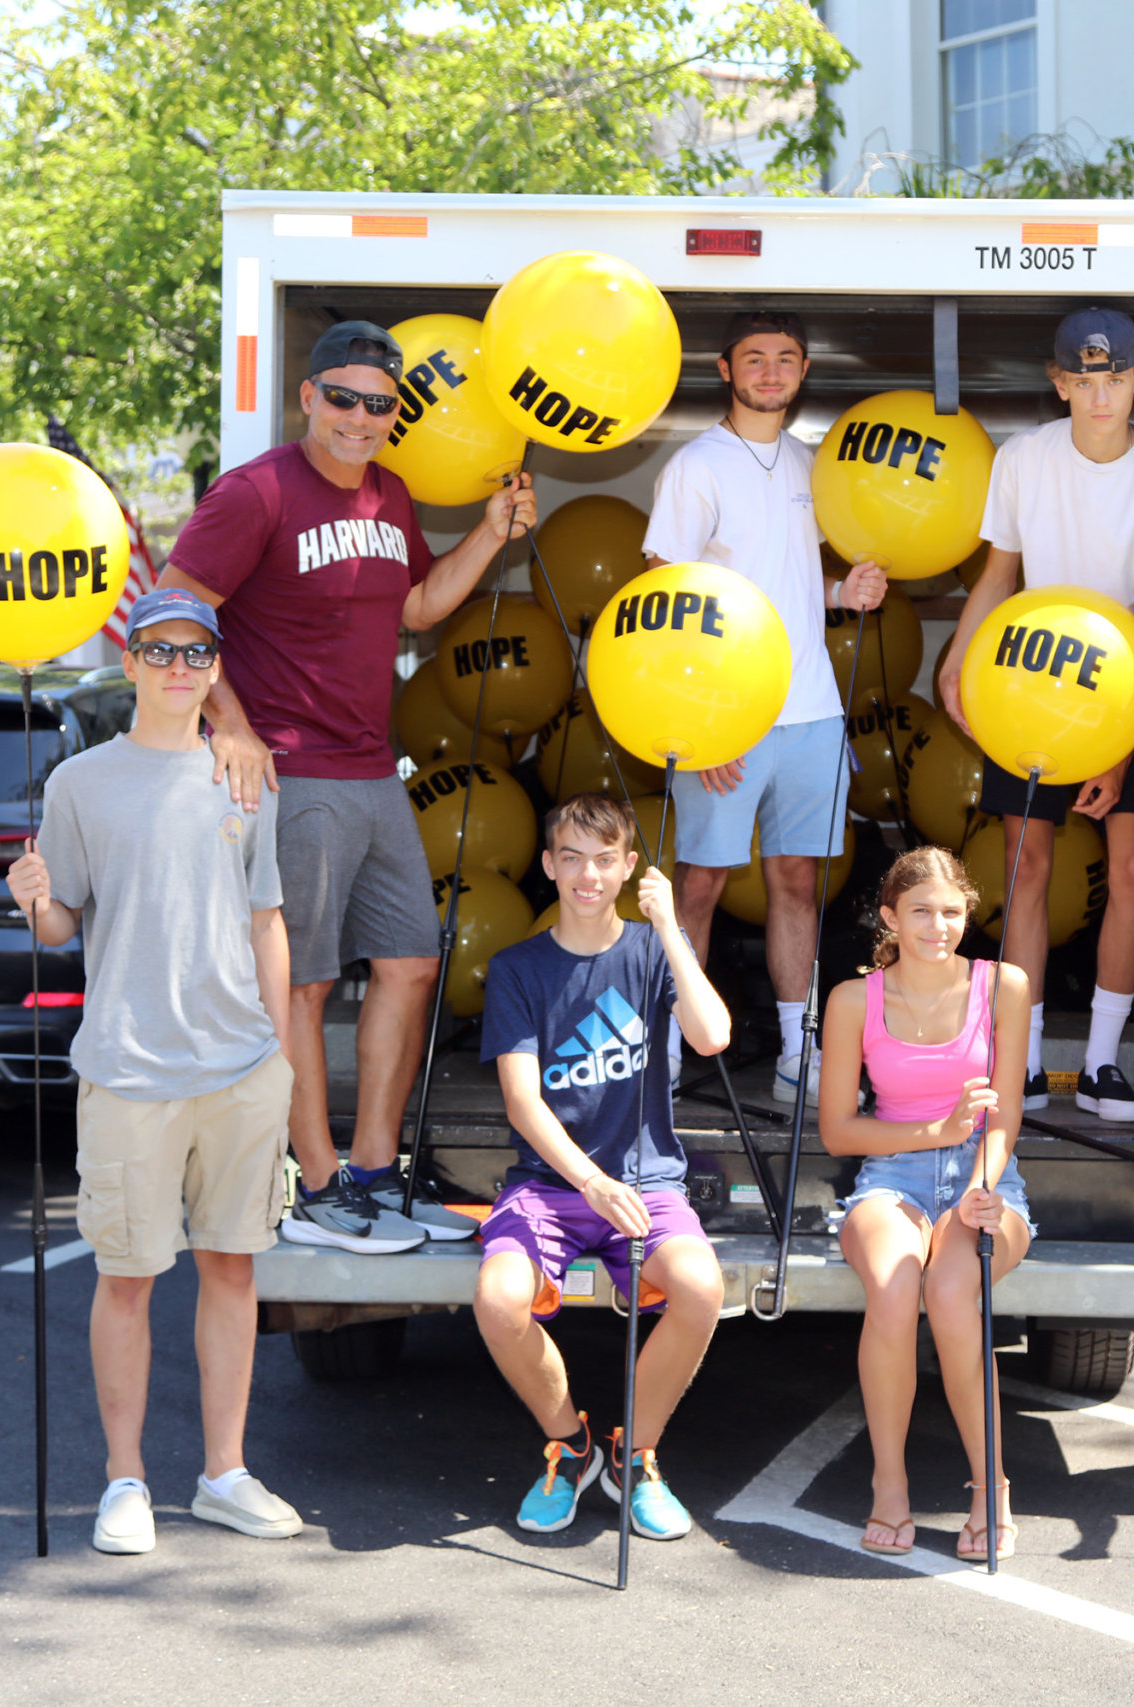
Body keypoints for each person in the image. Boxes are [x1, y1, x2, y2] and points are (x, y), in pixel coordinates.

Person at [161, 319, 537, 1255]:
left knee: (410, 964)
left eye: (381, 404)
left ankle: (373, 1172)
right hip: (296, 774)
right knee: (305, 982)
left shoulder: (389, 494)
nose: (362, 419)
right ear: (310, 398)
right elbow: (172, 603)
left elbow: (414, 605)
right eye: (345, 399)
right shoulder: (255, 492)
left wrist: (491, 534)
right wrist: (233, 727)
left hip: (374, 770)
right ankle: (317, 1184)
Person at [4, 587, 301, 1557]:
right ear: (127, 662)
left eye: (195, 653)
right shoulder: (79, 785)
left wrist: (284, 1063)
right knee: (126, 1278)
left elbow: (268, 922)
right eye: (158, 650)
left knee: (231, 1268)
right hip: (128, 1066)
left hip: (240, 1066)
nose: (177, 668)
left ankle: (224, 1473)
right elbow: (61, 925)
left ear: (215, 668)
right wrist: (33, 899)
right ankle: (122, 1481)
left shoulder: (246, 775)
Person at [471, 793, 733, 1541]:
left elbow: (712, 1036)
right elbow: (524, 1103)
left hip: (648, 1180)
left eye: (605, 858)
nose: (589, 875)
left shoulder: (653, 951)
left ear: (627, 866)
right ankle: (571, 1442)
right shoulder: (520, 967)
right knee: (498, 1298)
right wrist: (592, 1180)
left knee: (701, 1287)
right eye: (573, 858)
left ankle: (635, 1452)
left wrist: (671, 929)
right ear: (549, 865)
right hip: (554, 1185)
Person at [642, 309, 887, 1102]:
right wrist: (697, 726)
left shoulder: (816, 467)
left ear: (804, 369)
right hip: (726, 719)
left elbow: (782, 588)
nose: (771, 372)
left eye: (786, 358)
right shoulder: (697, 466)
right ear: (725, 368)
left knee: (795, 883)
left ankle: (794, 1054)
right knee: (700, 886)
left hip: (812, 713)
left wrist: (839, 592)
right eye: (756, 358)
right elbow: (664, 601)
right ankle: (668, 1055)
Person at [938, 308, 1134, 1120]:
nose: (1098, 397)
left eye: (1115, 379)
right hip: (1031, 682)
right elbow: (1001, 569)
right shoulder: (1024, 458)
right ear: (1059, 381)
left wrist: (1117, 742)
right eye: (1083, 380)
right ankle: (1023, 1062)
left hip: (1123, 692)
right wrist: (957, 657)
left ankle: (1102, 1063)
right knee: (1025, 865)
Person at [820, 846, 1031, 1562]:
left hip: (984, 1173)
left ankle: (989, 1485)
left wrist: (980, 1183)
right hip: (891, 1176)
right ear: (890, 916)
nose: (939, 925)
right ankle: (889, 1483)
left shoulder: (1004, 985)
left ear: (968, 910)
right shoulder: (854, 999)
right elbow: (838, 1129)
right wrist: (934, 1132)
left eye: (951, 910)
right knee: (893, 1284)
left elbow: (1004, 1118)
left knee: (949, 1290)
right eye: (921, 911)